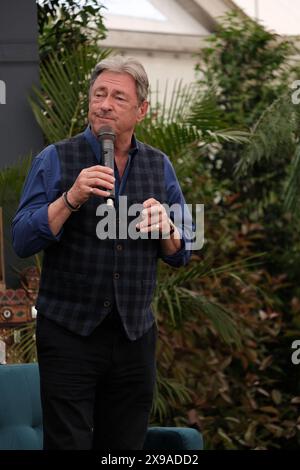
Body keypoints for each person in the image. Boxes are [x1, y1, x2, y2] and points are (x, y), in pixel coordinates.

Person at [12, 56, 192, 450]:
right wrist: (70, 198)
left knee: (125, 447)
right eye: (99, 94)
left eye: (118, 97)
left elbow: (182, 251)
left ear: (142, 110)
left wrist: (168, 230)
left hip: (134, 337)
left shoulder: (160, 167)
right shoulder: (57, 158)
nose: (105, 104)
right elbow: (23, 239)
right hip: (69, 333)